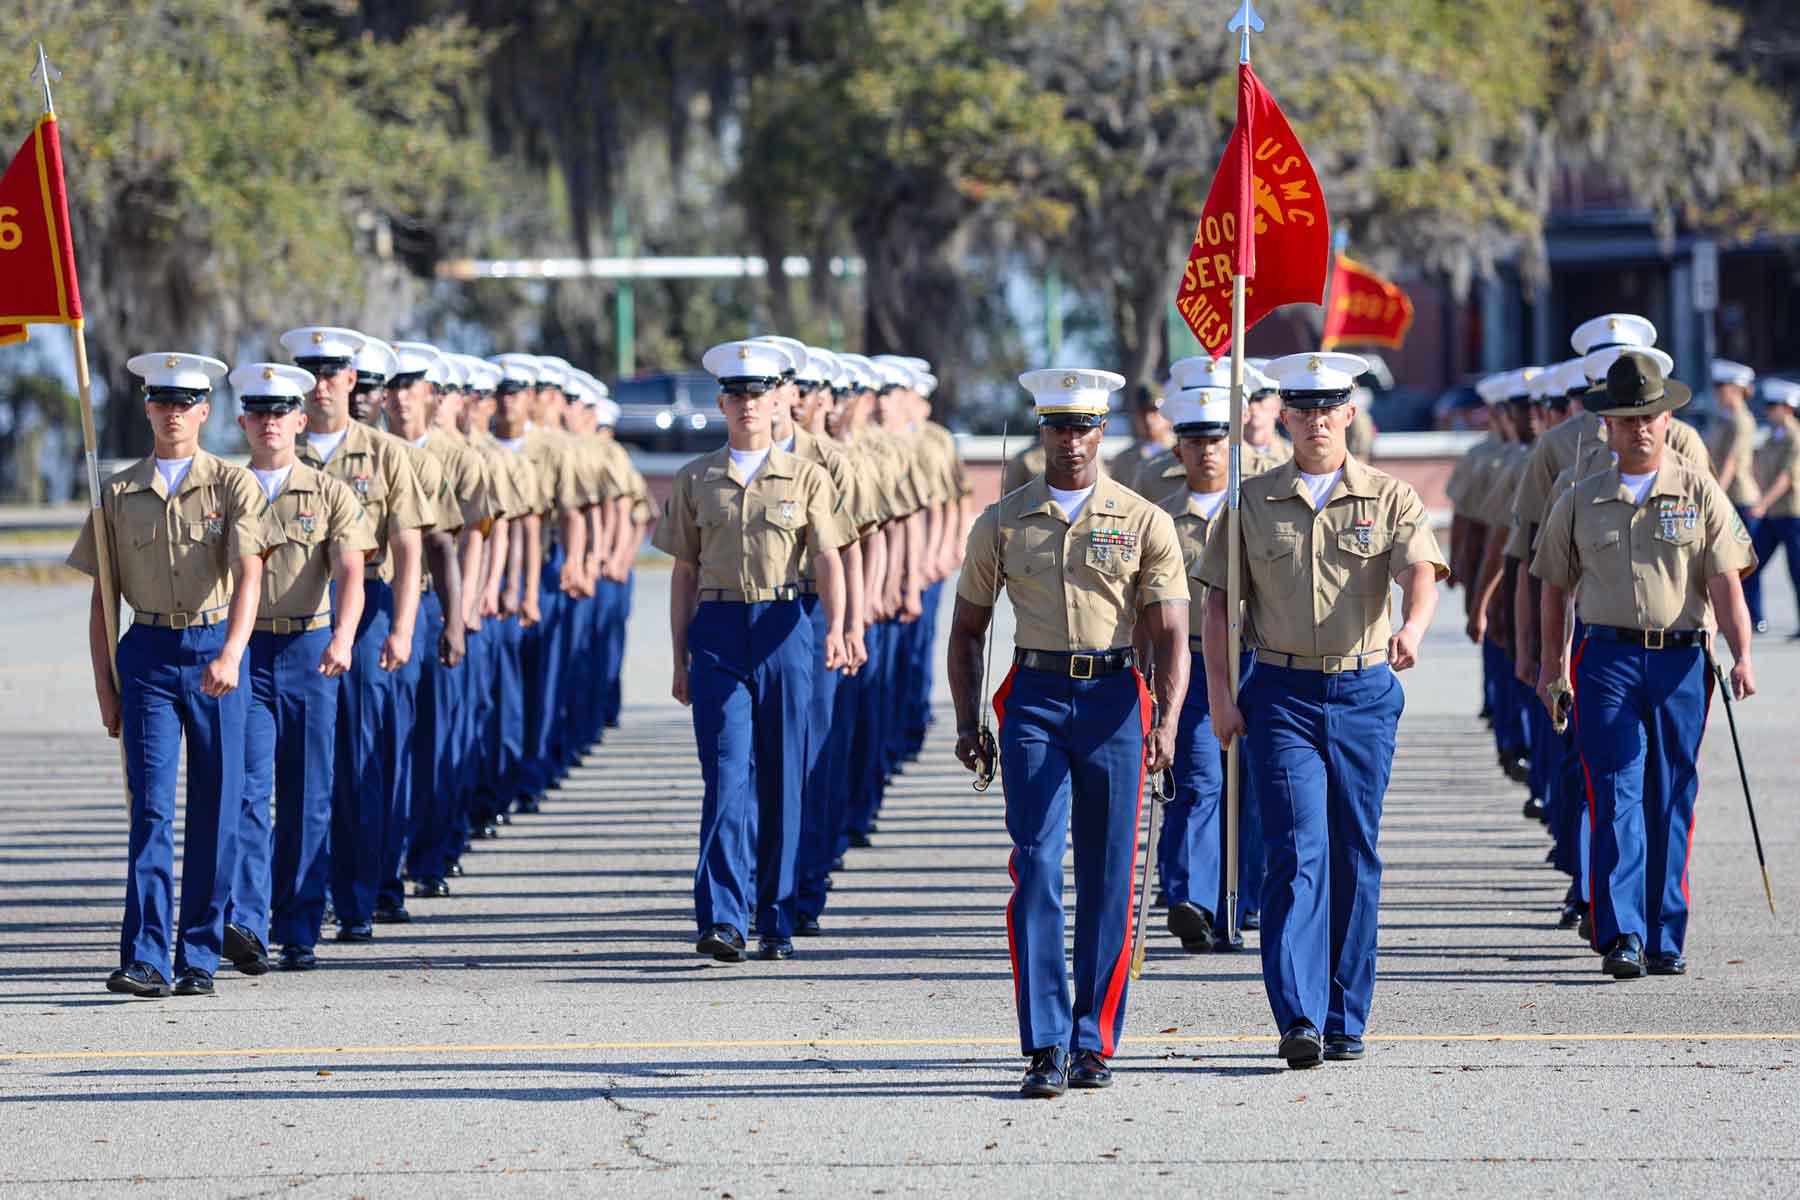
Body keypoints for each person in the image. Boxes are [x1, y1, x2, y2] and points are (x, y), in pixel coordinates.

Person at [947, 367, 1189, 1099]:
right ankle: (1045, 1041)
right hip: (1036, 701)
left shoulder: (1145, 519)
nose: (1071, 439)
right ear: (1041, 430)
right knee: (1036, 865)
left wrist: (1170, 721)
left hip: (1116, 699)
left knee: (1110, 879)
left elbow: (1172, 632)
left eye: (1083, 425)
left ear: (1102, 430)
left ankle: (1094, 1040)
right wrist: (966, 719)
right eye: (1057, 425)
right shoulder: (1004, 518)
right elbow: (966, 631)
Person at [1201, 351, 1445, 1069]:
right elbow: (1218, 606)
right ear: (1282, 414)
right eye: (1298, 408)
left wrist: (1414, 627)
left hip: (1364, 691)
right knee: (1296, 852)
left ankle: (1345, 1013)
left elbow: (1421, 572)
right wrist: (1220, 697)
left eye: (1325, 408)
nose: (1312, 421)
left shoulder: (1389, 497)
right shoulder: (1250, 501)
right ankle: (1299, 1015)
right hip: (1281, 696)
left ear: (1349, 413)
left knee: (1353, 854)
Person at [1531, 350, 1757, 979]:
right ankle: (1621, 931)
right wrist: (1554, 670)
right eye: (1627, 418)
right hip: (1605, 659)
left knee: (1672, 794)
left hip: (1682, 663)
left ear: (1666, 420)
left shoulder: (1698, 489)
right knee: (1616, 790)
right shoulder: (1579, 497)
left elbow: (1726, 583)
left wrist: (1742, 656)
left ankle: (1664, 932)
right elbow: (1555, 589)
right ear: (1607, 425)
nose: (1640, 428)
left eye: (1650, 416)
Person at [69, 352, 272, 997]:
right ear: (147, 407)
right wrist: (106, 688)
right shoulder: (119, 493)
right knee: (151, 809)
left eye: (186, 403)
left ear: (205, 412)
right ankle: (148, 955)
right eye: (162, 402)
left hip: (214, 649)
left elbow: (251, 576)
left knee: (216, 810)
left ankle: (201, 956)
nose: (174, 413)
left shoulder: (232, 485)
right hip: (149, 655)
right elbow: (104, 599)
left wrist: (234, 652)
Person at [654, 339, 852, 963]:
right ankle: (724, 917)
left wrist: (842, 628)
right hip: (717, 628)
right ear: (721, 403)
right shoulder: (696, 478)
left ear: (778, 401)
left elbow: (829, 557)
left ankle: (778, 913)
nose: (748, 405)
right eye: (737, 395)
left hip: (784, 623)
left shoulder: (807, 477)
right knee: (726, 772)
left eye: (759, 394)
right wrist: (680, 654)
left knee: (785, 774)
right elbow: (683, 571)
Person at [223, 362, 372, 973]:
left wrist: (343, 634)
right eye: (258, 414)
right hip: (247, 653)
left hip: (310, 652)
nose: (269, 424)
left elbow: (352, 571)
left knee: (309, 795)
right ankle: (248, 923)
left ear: (299, 421)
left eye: (280, 413)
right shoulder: (224, 488)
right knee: (249, 792)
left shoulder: (329, 490)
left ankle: (301, 926)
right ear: (242, 422)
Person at [285, 325, 432, 943]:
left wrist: (402, 627)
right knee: (302, 764)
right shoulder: (281, 453)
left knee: (360, 761)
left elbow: (408, 543)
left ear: (352, 381)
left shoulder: (385, 454)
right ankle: (300, 895)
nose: (320, 388)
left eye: (331, 375)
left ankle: (358, 896)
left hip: (368, 606)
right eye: (309, 376)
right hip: (296, 607)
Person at [1744, 380, 1800, 637]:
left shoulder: (1795, 438)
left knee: (1797, 572)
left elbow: (1787, 477)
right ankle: (1755, 618)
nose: (1768, 410)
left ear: (1788, 408)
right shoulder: (1771, 438)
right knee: (1750, 563)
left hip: (1792, 515)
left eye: (1773, 405)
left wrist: (1762, 504)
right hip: (1772, 516)